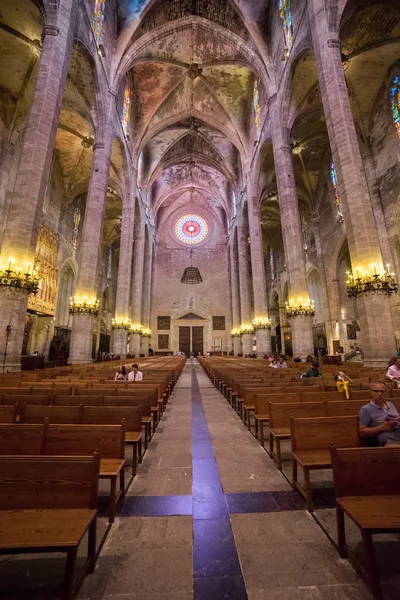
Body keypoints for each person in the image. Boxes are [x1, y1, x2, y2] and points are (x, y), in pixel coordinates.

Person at [359, 381, 400, 447]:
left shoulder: (391, 405)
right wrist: (382, 427)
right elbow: (362, 432)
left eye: (382, 391)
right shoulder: (366, 409)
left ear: (386, 393)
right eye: (376, 391)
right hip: (390, 442)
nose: (379, 394)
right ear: (371, 393)